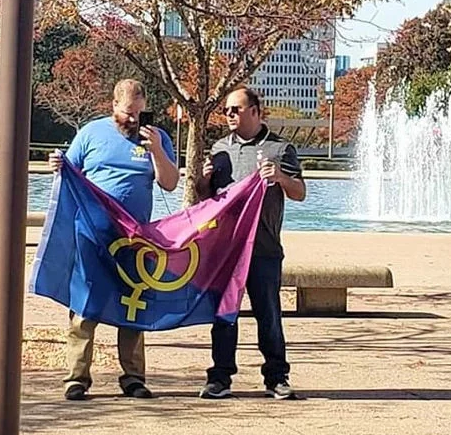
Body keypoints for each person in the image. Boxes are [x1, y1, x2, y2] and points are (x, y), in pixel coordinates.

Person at [48, 79, 179, 400]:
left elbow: (171, 183)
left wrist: (157, 151)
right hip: (92, 235)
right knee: (84, 305)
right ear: (113, 106)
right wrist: (56, 165)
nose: (133, 120)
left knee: (133, 305)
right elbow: (69, 172)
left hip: (135, 239)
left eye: (139, 113)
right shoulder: (91, 133)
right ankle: (77, 377)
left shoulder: (157, 137)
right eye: (127, 113)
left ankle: (133, 377)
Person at [195, 87, 306, 400]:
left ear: (256, 112)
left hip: (264, 249)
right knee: (224, 315)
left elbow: (299, 192)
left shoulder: (280, 148)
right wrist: (204, 179)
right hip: (226, 251)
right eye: (227, 110)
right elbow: (207, 199)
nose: (229, 114)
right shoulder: (219, 150)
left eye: (236, 109)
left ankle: (276, 377)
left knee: (268, 314)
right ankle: (220, 377)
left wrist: (281, 178)